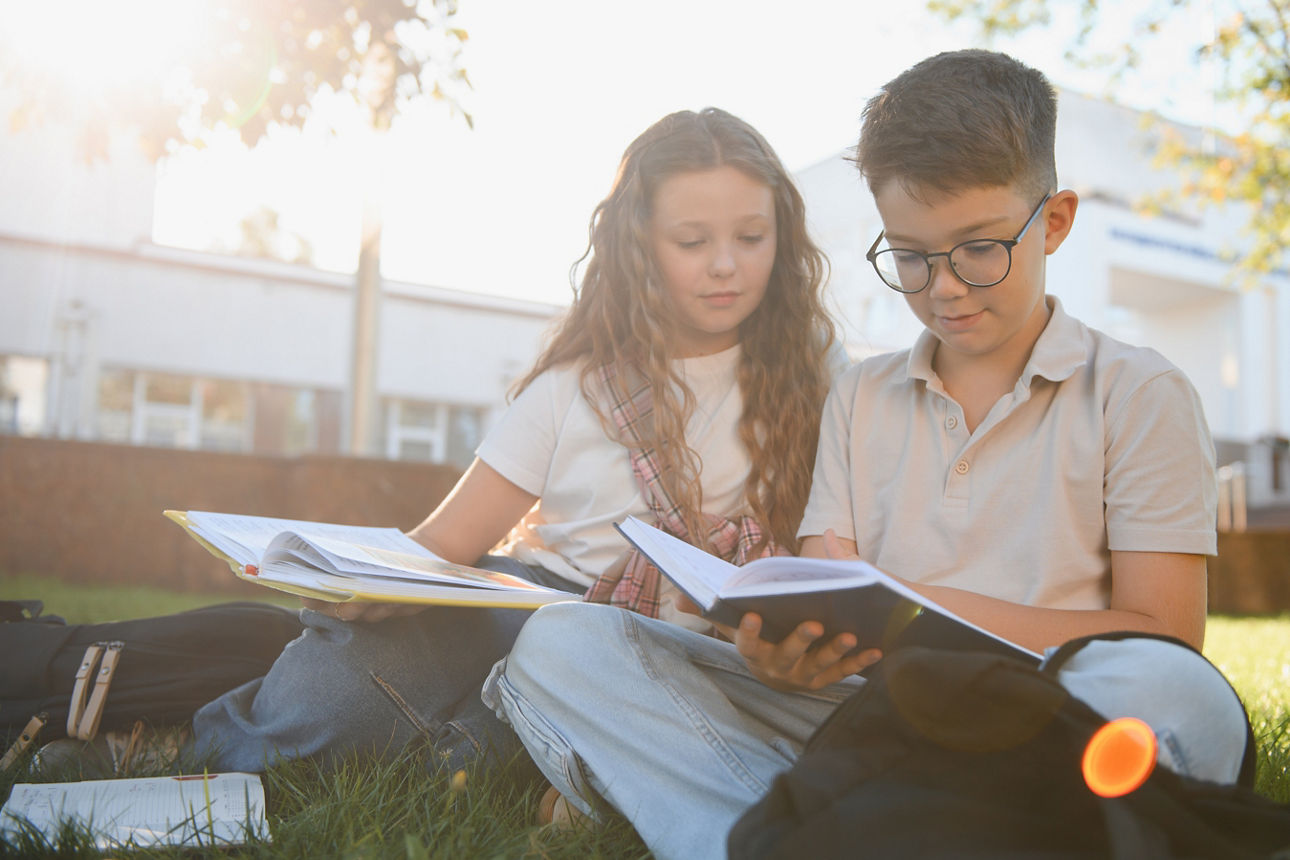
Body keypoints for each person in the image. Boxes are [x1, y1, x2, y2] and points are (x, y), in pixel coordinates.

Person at [482, 50, 1240, 860]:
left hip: (1046, 719)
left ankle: (789, 820)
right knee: (565, 644)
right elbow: (823, 589)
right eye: (910, 256)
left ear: (1053, 222)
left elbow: (1165, 639)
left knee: (1174, 699)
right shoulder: (860, 396)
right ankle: (794, 832)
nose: (944, 288)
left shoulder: (1140, 393)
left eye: (979, 249)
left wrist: (926, 605)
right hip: (860, 716)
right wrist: (783, 658)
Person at [189, 107, 844, 775]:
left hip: (701, 643)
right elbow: (445, 542)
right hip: (542, 600)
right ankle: (232, 742)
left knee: (493, 747)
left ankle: (476, 744)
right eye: (692, 242)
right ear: (640, 246)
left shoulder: (818, 370)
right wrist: (366, 584)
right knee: (332, 696)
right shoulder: (577, 382)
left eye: (752, 237)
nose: (726, 265)